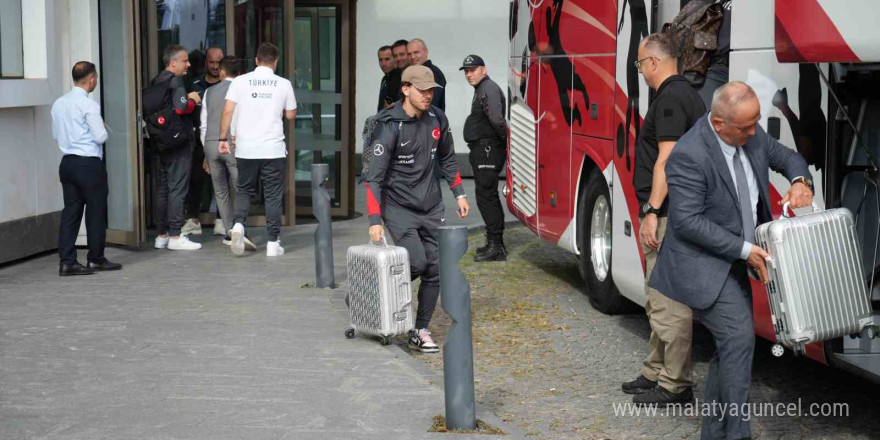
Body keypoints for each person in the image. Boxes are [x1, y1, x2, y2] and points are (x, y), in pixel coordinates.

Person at [650, 82, 814, 439]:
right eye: (746, 127)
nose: (754, 132)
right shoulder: (689, 154)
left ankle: (715, 433)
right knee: (739, 338)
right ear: (719, 123)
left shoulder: (749, 134)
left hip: (736, 258)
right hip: (702, 264)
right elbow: (688, 222)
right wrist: (745, 250)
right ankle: (737, 435)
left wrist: (801, 181)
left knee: (731, 349)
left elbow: (788, 157)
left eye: (756, 123)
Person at [623, 33, 706, 406]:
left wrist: (653, 211)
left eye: (639, 64)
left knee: (667, 301)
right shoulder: (686, 93)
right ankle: (654, 371)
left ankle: (676, 385)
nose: (639, 71)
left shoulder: (670, 99)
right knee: (657, 298)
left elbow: (668, 161)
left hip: (670, 215)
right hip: (679, 213)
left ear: (653, 63)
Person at [364, 65, 470, 353]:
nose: (428, 95)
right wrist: (375, 219)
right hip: (398, 207)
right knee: (417, 263)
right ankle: (372, 294)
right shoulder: (388, 125)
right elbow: (373, 178)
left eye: (431, 90)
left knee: (436, 268)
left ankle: (420, 329)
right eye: (422, 90)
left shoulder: (437, 117)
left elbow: (448, 157)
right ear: (406, 89)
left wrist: (458, 193)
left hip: (431, 206)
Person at [219, 42, 297, 257]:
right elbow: (290, 114)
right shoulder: (283, 84)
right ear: (276, 62)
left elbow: (227, 111)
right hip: (273, 149)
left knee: (244, 190)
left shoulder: (240, 82)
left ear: (256, 60)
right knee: (273, 195)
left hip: (246, 148)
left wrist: (222, 137)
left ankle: (238, 226)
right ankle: (273, 242)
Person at [51, 61, 122, 276]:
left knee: (71, 213)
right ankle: (96, 258)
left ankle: (67, 261)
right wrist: (106, 130)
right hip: (89, 164)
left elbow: (56, 135)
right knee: (95, 212)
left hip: (68, 162)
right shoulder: (89, 105)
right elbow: (100, 136)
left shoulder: (59, 103)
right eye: (96, 78)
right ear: (91, 79)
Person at [200, 56, 256, 251]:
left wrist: (206, 150)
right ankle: (240, 227)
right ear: (240, 73)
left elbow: (204, 124)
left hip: (210, 143)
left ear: (222, 72)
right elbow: (240, 120)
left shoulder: (208, 91)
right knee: (241, 186)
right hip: (232, 144)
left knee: (220, 191)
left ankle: (228, 231)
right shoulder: (241, 90)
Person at [151, 45, 203, 251]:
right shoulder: (176, 82)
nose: (188, 64)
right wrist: (192, 100)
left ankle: (162, 235)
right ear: (173, 63)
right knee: (177, 188)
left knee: (163, 189)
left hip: (160, 142)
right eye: (184, 60)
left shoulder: (156, 82)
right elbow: (181, 107)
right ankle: (175, 235)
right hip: (178, 143)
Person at [460, 54, 508, 262]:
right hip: (484, 148)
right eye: (466, 71)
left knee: (486, 196)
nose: (469, 74)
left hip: (487, 149)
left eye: (473, 70)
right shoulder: (482, 88)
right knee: (487, 195)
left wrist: (503, 143)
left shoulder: (487, 88)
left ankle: (495, 246)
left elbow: (497, 120)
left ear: (484, 70)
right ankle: (495, 244)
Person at [183, 47, 225, 238]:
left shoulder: (230, 85)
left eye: (219, 63)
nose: (215, 67)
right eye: (212, 62)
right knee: (195, 181)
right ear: (206, 62)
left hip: (221, 140)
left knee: (221, 181)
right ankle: (193, 221)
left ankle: (221, 220)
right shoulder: (195, 83)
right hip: (198, 142)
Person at [407, 38, 446, 110]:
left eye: (416, 52)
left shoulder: (434, 73)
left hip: (430, 119)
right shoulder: (411, 73)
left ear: (426, 52)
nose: (412, 57)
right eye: (409, 54)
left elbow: (432, 103)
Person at [377, 45, 400, 111]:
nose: (383, 64)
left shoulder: (400, 77)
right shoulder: (385, 79)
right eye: (380, 60)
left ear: (395, 59)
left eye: (387, 59)